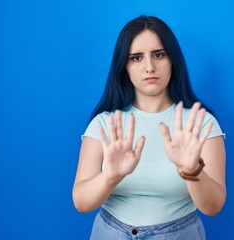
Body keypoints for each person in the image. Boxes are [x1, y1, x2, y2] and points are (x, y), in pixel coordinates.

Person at [72, 15, 226, 240]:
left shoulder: (201, 123)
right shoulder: (105, 124)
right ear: (123, 66)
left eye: (159, 54)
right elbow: (81, 203)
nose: (149, 67)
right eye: (136, 58)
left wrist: (192, 171)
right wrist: (110, 176)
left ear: (173, 59)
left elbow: (213, 207)